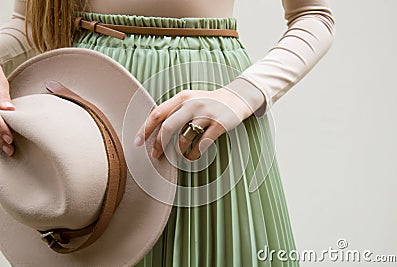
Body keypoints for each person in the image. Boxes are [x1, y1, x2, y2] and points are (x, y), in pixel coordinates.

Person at [0, 0, 335, 266]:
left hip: (200, 120)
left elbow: (313, 16)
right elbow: (32, 26)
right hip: (91, 118)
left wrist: (241, 95)